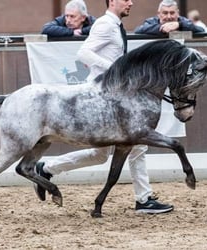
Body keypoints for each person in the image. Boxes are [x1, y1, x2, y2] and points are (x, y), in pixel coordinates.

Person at [34, 0, 174, 214]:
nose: (131, 3)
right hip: (104, 95)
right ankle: (144, 199)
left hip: (112, 94)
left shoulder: (114, 25)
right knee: (137, 146)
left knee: (102, 155)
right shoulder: (105, 24)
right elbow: (84, 53)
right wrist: (117, 70)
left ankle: (46, 169)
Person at [134, 0, 204, 35]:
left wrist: (179, 25)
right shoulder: (151, 21)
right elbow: (138, 30)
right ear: (158, 14)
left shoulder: (184, 21)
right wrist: (161, 28)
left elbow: (201, 30)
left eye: (172, 13)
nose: (169, 16)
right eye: (165, 13)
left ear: (178, 13)